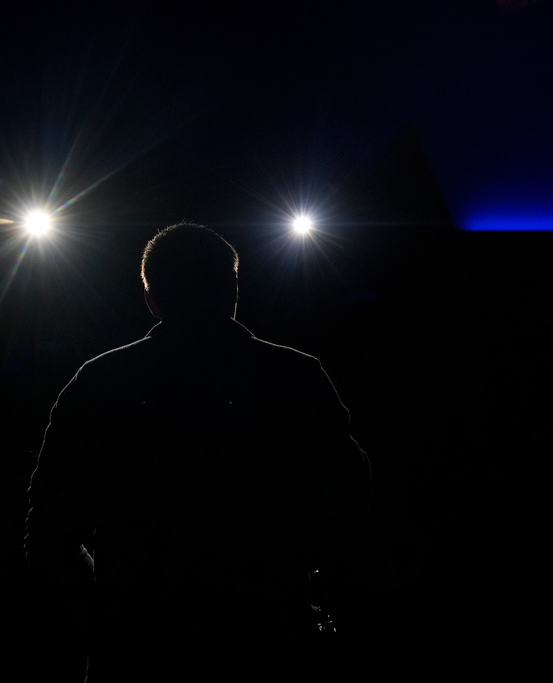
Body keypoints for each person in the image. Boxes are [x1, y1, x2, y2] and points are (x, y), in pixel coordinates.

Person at [24, 223, 371, 681]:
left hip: (140, 653)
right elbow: (350, 506)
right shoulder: (294, 377)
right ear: (232, 288)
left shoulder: (100, 382)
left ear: (152, 299)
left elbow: (49, 532)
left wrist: (107, 618)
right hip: (269, 645)